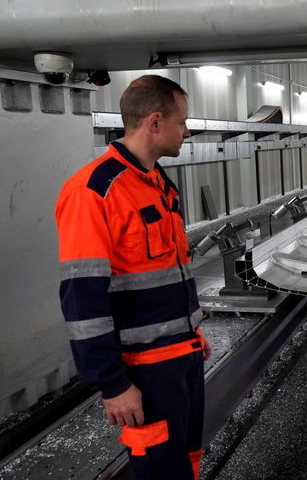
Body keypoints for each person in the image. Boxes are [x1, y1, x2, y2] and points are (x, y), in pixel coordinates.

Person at [55, 75, 211, 480]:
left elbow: (167, 270)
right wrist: (112, 384)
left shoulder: (159, 184)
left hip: (183, 358)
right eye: (183, 122)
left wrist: (191, 330)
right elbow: (82, 299)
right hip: (146, 369)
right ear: (155, 123)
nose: (187, 131)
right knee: (160, 469)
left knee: (187, 459)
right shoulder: (94, 192)